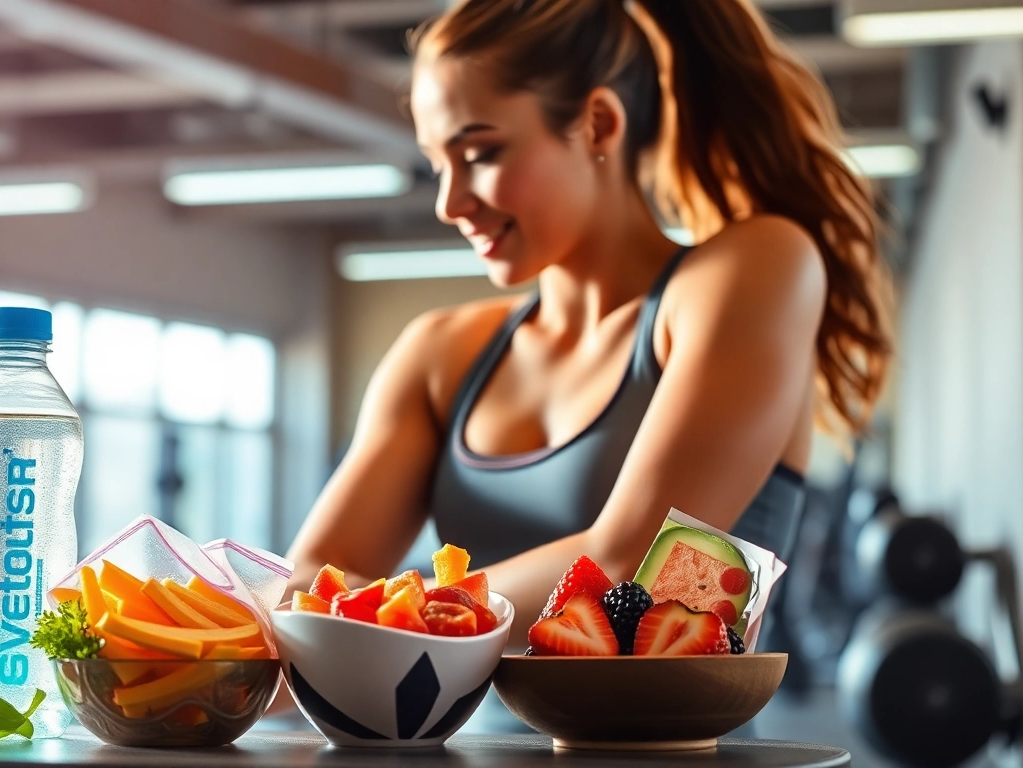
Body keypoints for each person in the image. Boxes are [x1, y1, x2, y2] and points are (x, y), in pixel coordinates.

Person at [286, 0, 891, 648]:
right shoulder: (440, 353)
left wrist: (386, 616)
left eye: (481, 153)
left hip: (663, 751)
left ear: (598, 124)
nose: (449, 202)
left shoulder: (752, 272)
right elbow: (311, 588)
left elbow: (627, 565)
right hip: (452, 751)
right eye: (439, 164)